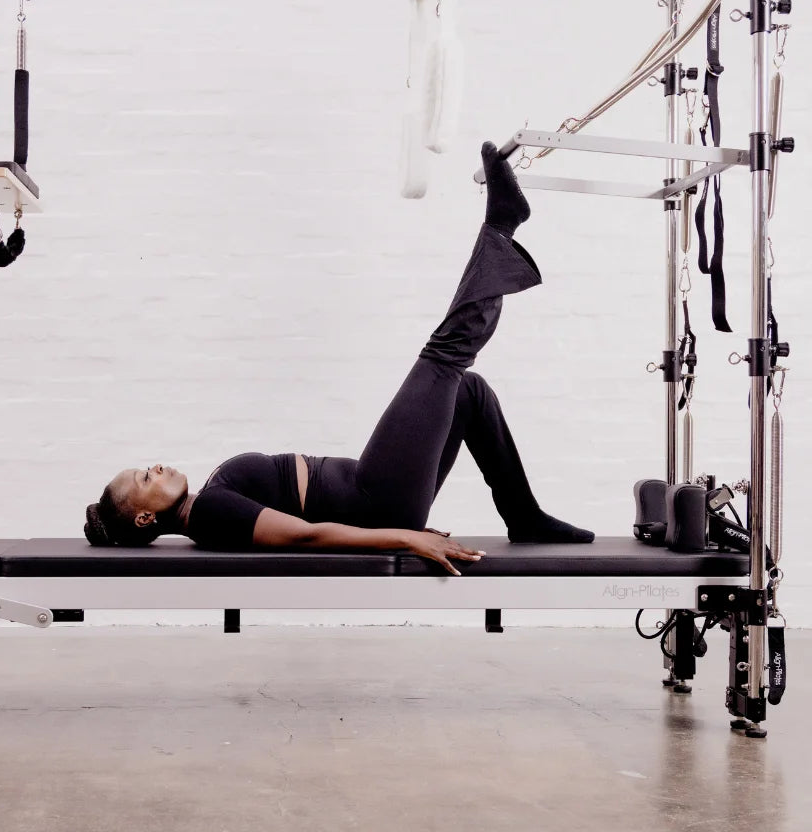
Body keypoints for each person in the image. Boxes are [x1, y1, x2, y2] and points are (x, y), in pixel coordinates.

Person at [84, 142, 594, 574]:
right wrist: (406, 537)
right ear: (146, 518)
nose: (155, 467)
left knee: (467, 391)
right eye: (145, 478)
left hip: (378, 494)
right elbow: (304, 536)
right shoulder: (211, 513)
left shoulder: (210, 502)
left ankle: (522, 514)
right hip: (378, 501)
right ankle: (502, 225)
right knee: (445, 356)